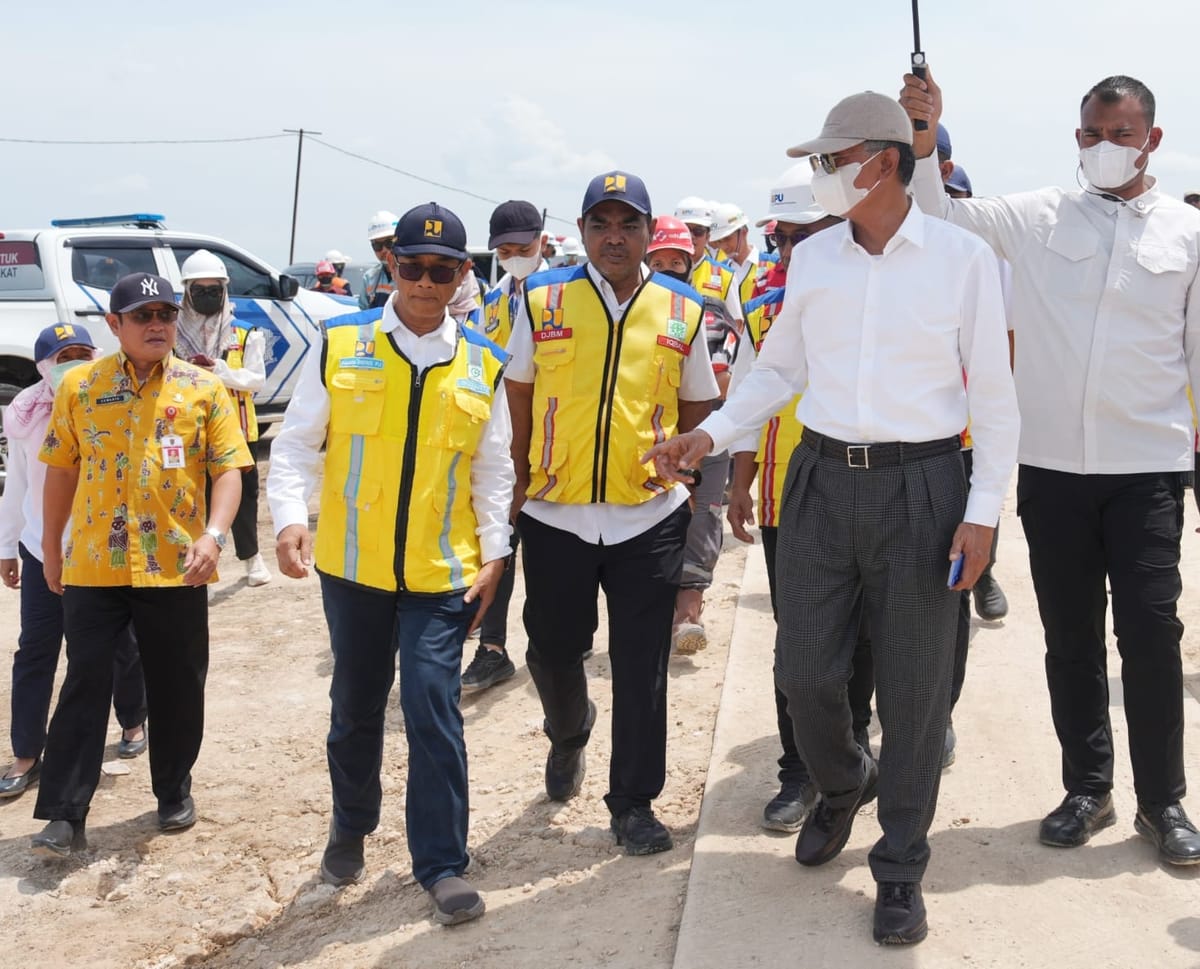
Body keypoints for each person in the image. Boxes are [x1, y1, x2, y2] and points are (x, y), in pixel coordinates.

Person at [644, 92, 1019, 944]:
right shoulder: (814, 263)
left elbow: (995, 401)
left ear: (883, 161)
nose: (819, 175)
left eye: (830, 159)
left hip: (923, 485)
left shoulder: (963, 261)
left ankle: (899, 868)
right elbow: (776, 373)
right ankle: (845, 779)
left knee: (917, 691)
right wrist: (709, 434)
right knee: (807, 671)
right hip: (819, 479)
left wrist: (984, 511)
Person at [902, 68, 1200, 866]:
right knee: (1071, 639)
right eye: (1094, 135)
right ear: (1078, 139)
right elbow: (938, 213)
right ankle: (1087, 786)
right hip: (1054, 473)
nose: (1107, 148)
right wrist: (924, 138)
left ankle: (1164, 801)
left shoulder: (1188, 233)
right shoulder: (1038, 217)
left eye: (1123, 134)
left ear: (1153, 140)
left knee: (1151, 637)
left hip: (1147, 471)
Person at [268, 202, 513, 926]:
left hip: (441, 573)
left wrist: (496, 549)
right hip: (353, 570)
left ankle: (441, 863)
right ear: (392, 267)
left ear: (463, 275)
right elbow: (296, 442)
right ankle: (351, 826)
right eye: (412, 266)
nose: (426, 282)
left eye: (442, 270)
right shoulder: (340, 341)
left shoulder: (483, 363)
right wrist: (288, 518)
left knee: (432, 705)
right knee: (355, 708)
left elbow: (493, 470)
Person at [506, 171, 718, 855]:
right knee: (553, 647)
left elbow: (697, 405)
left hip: (645, 516)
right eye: (601, 224)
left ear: (650, 234)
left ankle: (633, 802)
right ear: (584, 231)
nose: (614, 237)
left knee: (641, 666)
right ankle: (569, 733)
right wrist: (515, 484)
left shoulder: (683, 309)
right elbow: (518, 394)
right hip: (557, 513)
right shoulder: (541, 299)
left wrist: (674, 467)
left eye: (629, 224)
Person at [30, 272, 251, 857]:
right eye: (142, 315)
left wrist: (215, 535)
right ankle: (64, 813)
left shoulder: (204, 389)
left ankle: (173, 788)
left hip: (177, 563)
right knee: (86, 678)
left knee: (178, 680)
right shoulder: (79, 386)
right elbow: (61, 470)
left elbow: (228, 469)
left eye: (165, 313)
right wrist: (51, 549)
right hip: (96, 563)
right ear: (115, 325)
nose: (157, 324)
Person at [725, 164, 877, 832]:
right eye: (782, 238)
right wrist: (739, 477)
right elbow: (751, 391)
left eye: (804, 234)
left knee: (865, 637)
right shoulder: (758, 303)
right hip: (790, 497)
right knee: (799, 645)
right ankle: (799, 769)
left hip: (872, 488)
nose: (791, 252)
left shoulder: (884, 288)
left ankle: (851, 754)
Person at [0, 325, 147, 800]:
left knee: (120, 645)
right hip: (41, 546)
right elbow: (18, 487)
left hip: (104, 546)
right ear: (43, 366)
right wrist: (6, 547)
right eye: (64, 356)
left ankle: (131, 722)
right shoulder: (25, 415)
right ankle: (26, 752)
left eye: (84, 352)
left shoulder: (114, 400)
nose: (75, 362)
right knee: (36, 650)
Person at [461, 199, 548, 693]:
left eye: (523, 247)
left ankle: (557, 637)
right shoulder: (491, 304)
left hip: (554, 444)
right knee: (501, 541)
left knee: (550, 553)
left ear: (542, 241)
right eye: (506, 250)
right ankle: (492, 648)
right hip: (502, 445)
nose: (514, 256)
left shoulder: (562, 294)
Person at [643, 215, 740, 656]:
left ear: (691, 260)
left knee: (702, 519)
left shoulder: (708, 313)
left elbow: (720, 381)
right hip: (648, 440)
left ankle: (689, 613)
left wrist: (695, 432)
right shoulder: (630, 318)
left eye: (675, 262)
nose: (667, 270)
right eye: (657, 262)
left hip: (705, 434)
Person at [177, 250, 272, 588]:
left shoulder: (246, 333)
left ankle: (252, 559)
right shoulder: (174, 333)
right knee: (192, 498)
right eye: (199, 290)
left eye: (213, 289)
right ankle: (195, 563)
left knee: (245, 498)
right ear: (187, 291)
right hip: (189, 430)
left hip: (237, 428)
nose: (207, 296)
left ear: (224, 290)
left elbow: (256, 379)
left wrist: (220, 372)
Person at [709, 201, 773, 306]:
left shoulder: (773, 265)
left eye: (727, 239)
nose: (723, 246)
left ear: (744, 232)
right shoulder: (718, 272)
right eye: (719, 241)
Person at [359, 210, 399, 310]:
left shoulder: (413, 275)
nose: (384, 250)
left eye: (389, 243)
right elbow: (363, 313)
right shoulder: (369, 278)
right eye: (377, 245)